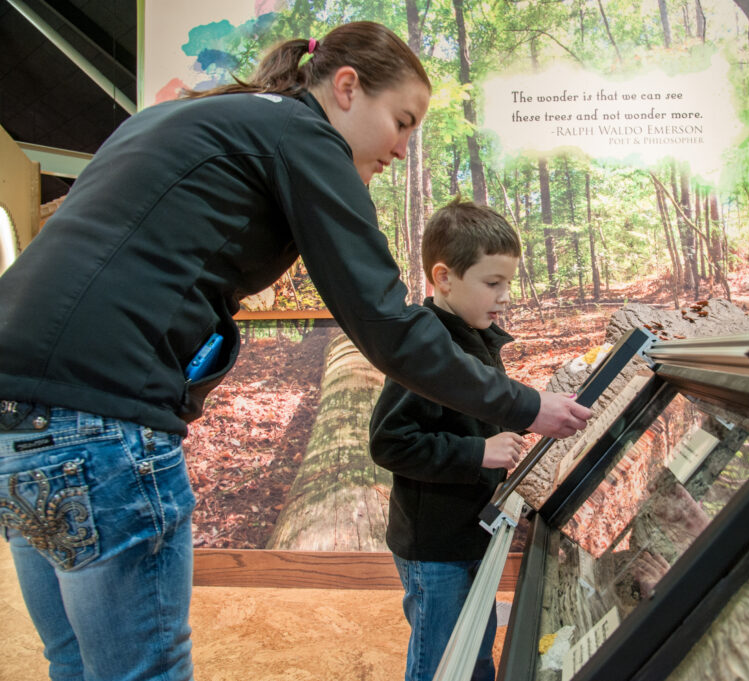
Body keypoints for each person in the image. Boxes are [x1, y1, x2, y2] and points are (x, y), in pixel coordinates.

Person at [0, 22, 589, 681]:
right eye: (400, 121)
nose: (400, 150)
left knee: (75, 661)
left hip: (18, 415)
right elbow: (384, 319)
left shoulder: (207, 116)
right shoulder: (302, 134)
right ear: (346, 89)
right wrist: (527, 406)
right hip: (103, 419)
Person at [369, 199, 527, 681]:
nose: (503, 297)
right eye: (492, 284)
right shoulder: (429, 349)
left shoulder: (476, 336)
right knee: (441, 664)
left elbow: (474, 418)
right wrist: (481, 452)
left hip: (471, 531)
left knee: (475, 650)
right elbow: (390, 442)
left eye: (508, 284)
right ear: (443, 278)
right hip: (434, 546)